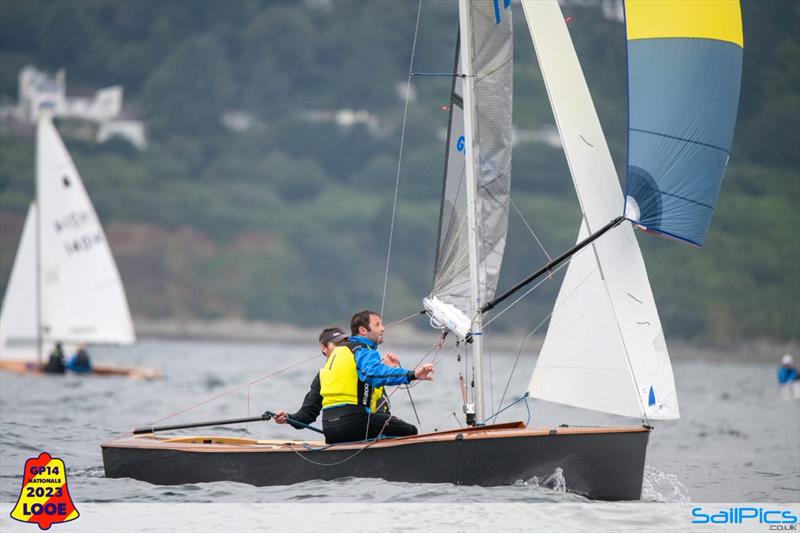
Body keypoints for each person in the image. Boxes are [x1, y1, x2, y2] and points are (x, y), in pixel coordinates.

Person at [320, 309, 434, 444]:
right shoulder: (362, 349)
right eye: (378, 325)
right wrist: (413, 375)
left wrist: (384, 366)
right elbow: (373, 374)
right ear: (363, 330)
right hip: (353, 421)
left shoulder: (338, 352)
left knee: (382, 424)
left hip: (329, 427)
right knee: (409, 431)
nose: (383, 329)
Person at [274, 326, 396, 431]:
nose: (342, 347)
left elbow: (383, 405)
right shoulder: (323, 376)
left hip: (370, 425)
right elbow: (307, 415)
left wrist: (385, 369)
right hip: (349, 429)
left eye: (345, 343)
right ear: (324, 348)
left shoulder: (361, 367)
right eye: (337, 343)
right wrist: (288, 418)